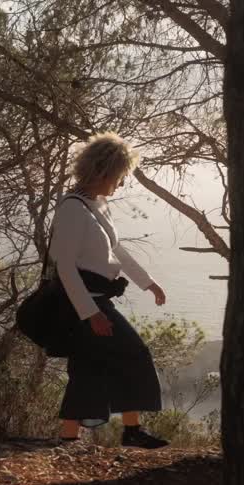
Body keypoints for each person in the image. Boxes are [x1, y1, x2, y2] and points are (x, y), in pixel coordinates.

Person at [50, 133, 170, 448]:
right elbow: (65, 267)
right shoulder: (72, 209)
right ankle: (131, 432)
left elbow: (117, 249)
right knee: (134, 354)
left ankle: (69, 438)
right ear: (102, 173)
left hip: (97, 300)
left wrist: (148, 282)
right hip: (84, 303)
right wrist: (91, 314)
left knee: (88, 367)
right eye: (118, 177)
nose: (119, 184)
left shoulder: (97, 204)